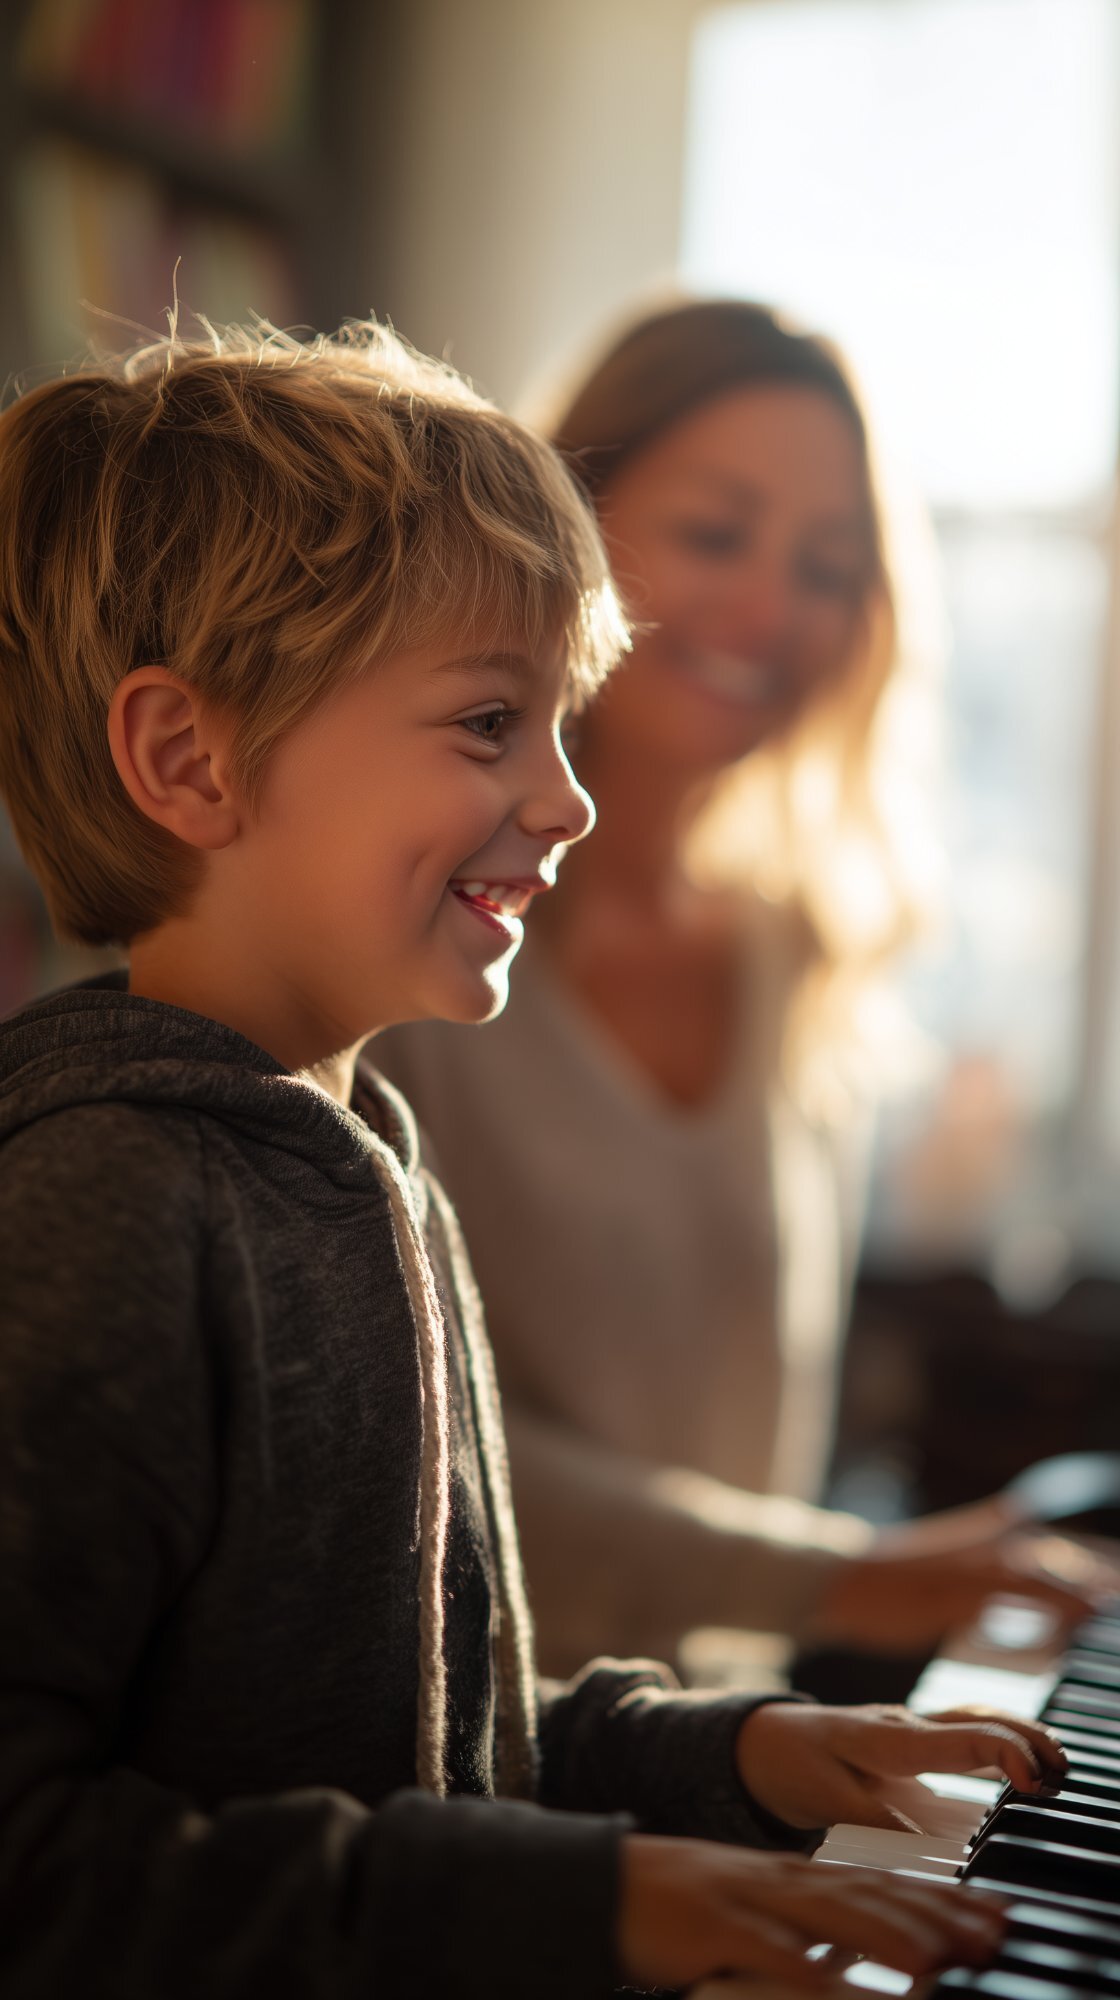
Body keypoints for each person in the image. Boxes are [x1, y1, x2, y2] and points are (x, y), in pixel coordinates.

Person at [0, 317, 1068, 1999]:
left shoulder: (367, 1160)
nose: (564, 798)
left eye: (559, 722)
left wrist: (724, 1755)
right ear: (189, 761)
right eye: (492, 722)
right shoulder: (106, 1209)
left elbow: (439, 1728)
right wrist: (576, 1905)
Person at [377, 298, 1112, 1680]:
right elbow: (401, 1435)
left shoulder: (800, 949)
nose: (776, 611)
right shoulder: (406, 936)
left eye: (831, 566)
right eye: (717, 534)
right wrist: (845, 1579)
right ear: (559, 530)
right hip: (464, 1777)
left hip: (726, 1766)